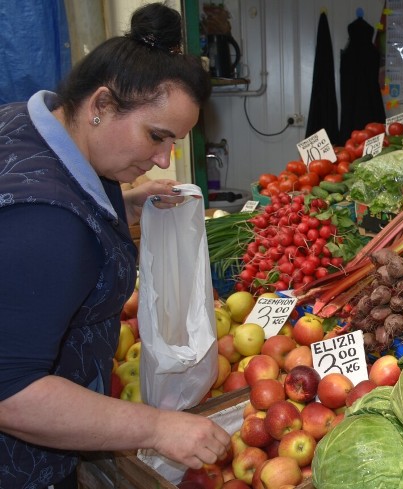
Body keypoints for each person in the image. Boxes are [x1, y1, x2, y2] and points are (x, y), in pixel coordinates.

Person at [0, 3, 230, 488]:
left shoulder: (30, 123)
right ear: (101, 105)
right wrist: (158, 426)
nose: (164, 158)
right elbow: (11, 393)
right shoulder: (45, 221)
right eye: (156, 137)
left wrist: (123, 203)